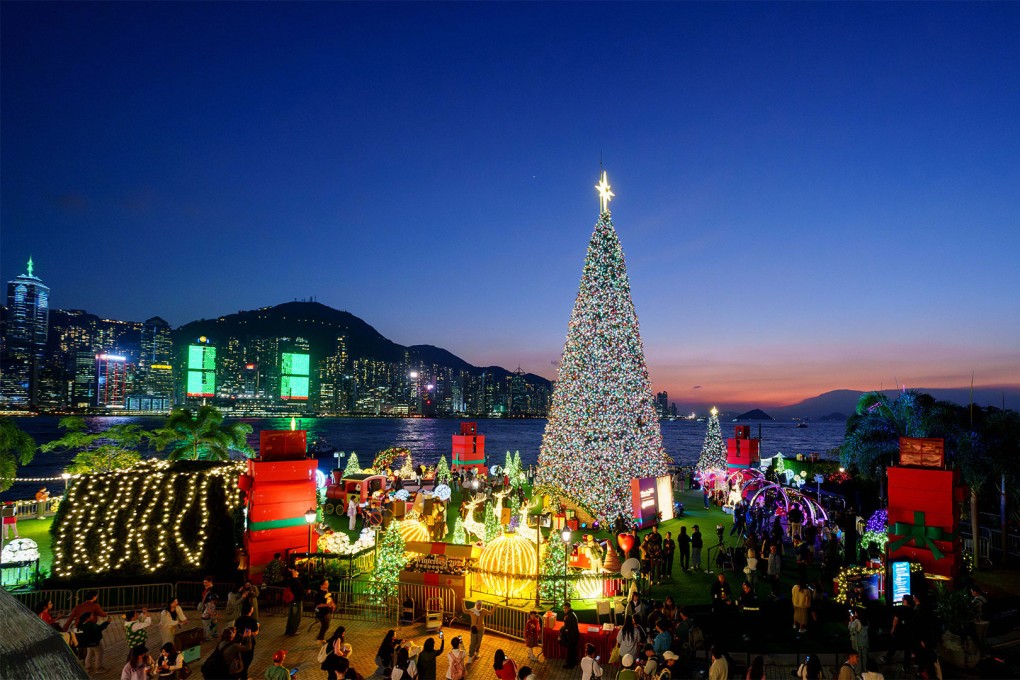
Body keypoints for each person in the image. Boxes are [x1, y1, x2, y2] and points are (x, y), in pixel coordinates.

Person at [881, 594, 916, 668]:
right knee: (908, 649)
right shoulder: (913, 610)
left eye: (903, 599)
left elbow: (896, 619)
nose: (902, 600)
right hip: (909, 632)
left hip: (900, 631)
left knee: (894, 644)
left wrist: (893, 629)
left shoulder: (901, 608)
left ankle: (887, 658)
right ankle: (906, 665)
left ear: (905, 601)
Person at [234, 600, 260, 678]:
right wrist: (258, 627)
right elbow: (255, 633)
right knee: (247, 661)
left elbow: (236, 629)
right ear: (251, 610)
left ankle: (240, 674)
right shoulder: (252, 621)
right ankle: (243, 676)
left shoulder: (238, 619)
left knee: (240, 659)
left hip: (239, 642)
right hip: (248, 643)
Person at [283, 568, 306, 636]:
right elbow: (301, 591)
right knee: (296, 616)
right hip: (297, 601)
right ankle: (293, 631)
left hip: (292, 601)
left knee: (291, 616)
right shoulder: (296, 582)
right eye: (294, 571)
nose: (296, 571)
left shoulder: (289, 581)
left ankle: (288, 630)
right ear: (293, 574)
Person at [198, 576, 219, 640]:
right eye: (204, 582)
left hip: (209, 607)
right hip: (206, 607)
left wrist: (212, 612)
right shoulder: (205, 589)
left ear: (210, 582)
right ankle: (213, 633)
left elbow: (214, 601)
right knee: (211, 621)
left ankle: (211, 635)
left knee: (211, 621)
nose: (204, 583)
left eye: (206, 582)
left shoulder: (213, 590)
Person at [561, 602, 580, 669]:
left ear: (568, 608)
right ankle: (573, 662)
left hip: (572, 636)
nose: (564, 610)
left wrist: (563, 631)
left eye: (565, 608)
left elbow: (567, 627)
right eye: (564, 608)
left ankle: (570, 664)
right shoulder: (572, 614)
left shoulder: (569, 616)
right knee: (572, 650)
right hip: (574, 635)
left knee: (570, 650)